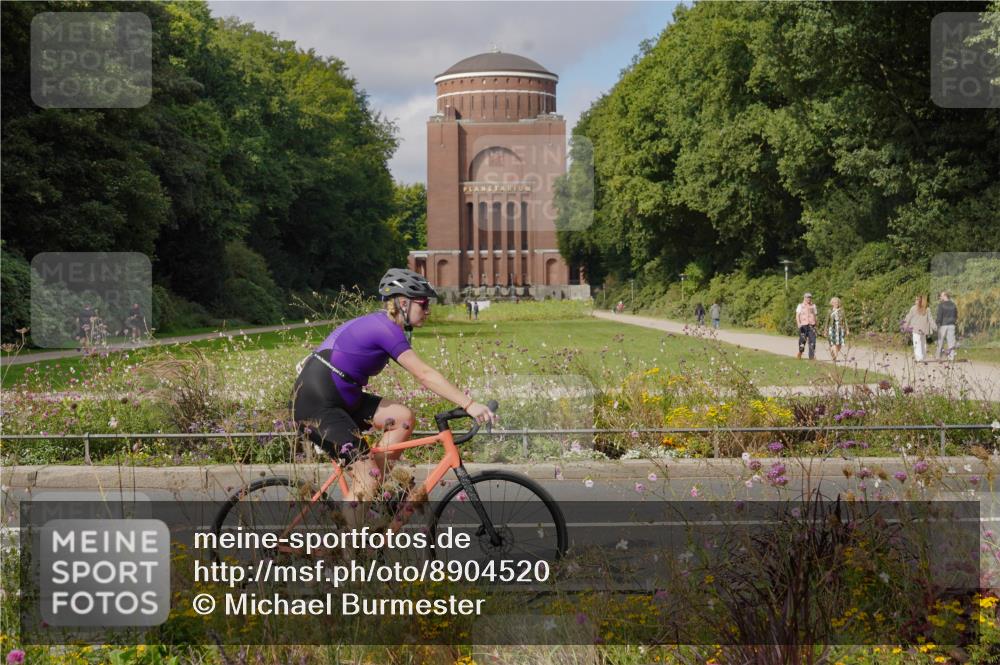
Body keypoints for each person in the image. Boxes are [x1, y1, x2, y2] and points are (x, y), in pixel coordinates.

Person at [292, 268, 496, 504]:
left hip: (339, 397)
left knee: (402, 417)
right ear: (403, 303)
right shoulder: (385, 329)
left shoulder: (386, 326)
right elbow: (424, 374)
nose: (428, 310)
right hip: (317, 405)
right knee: (367, 479)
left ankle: (370, 495)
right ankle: (349, 534)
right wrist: (469, 404)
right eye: (423, 304)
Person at [903, 294, 936, 363]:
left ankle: (919, 359)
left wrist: (905, 326)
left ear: (920, 301)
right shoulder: (926, 309)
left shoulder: (915, 308)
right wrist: (935, 327)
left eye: (917, 299)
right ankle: (922, 358)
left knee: (917, 344)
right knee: (923, 343)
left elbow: (908, 318)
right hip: (923, 330)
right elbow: (931, 320)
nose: (915, 301)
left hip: (916, 329)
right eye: (916, 299)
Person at [935, 291, 958, 361]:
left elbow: (939, 316)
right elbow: (956, 315)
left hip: (943, 325)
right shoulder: (953, 304)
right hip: (952, 325)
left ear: (945, 296)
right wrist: (954, 322)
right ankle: (951, 357)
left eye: (941, 295)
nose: (940, 297)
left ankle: (938, 357)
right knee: (951, 341)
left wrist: (937, 323)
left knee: (940, 341)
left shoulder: (941, 305)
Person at [795, 293, 818, 359]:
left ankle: (811, 357)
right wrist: (798, 323)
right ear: (804, 298)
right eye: (807, 297)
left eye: (809, 297)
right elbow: (797, 315)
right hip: (803, 326)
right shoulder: (800, 305)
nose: (808, 299)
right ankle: (800, 352)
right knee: (802, 341)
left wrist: (816, 324)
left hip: (812, 325)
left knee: (812, 341)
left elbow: (815, 315)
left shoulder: (813, 306)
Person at [825, 297, 848, 362]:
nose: (836, 303)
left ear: (839, 303)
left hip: (840, 328)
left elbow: (845, 321)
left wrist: (847, 329)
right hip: (832, 328)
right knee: (834, 343)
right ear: (832, 303)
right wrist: (825, 330)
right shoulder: (830, 311)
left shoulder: (842, 311)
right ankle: (835, 357)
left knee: (840, 344)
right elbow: (827, 321)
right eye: (834, 302)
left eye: (837, 302)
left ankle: (833, 352)